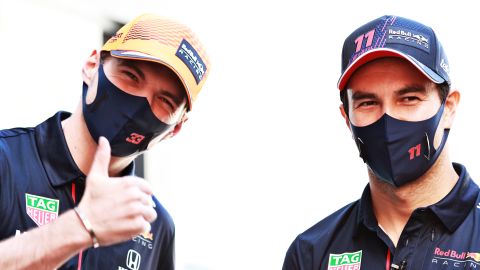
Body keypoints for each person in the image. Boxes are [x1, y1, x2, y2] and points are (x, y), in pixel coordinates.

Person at [0, 13, 210, 269]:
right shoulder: (6, 161)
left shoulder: (154, 226)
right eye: (131, 76)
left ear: (175, 129)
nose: (140, 103)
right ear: (92, 66)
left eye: (165, 101)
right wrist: (79, 226)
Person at [283, 15, 480, 270]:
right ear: (347, 118)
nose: (388, 120)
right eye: (368, 103)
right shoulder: (312, 253)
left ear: (448, 108)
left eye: (409, 98)